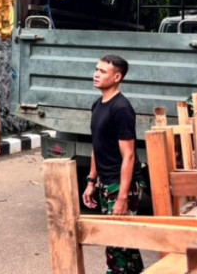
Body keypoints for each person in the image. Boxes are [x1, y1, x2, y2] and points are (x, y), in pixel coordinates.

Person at [81, 55, 145, 273]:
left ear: (117, 77)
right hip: (106, 183)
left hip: (121, 184)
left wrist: (122, 197)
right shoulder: (97, 105)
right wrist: (91, 181)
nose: (96, 74)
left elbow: (129, 156)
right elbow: (96, 147)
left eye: (103, 71)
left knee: (116, 244)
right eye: (96, 69)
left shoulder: (121, 109)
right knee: (126, 246)